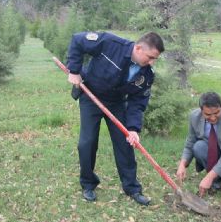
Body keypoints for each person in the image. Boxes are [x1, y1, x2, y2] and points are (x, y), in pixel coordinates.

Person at [66, 31, 165, 206]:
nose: (151, 62)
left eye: (154, 59)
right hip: (91, 97)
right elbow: (78, 40)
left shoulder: (146, 74)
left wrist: (133, 129)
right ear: (139, 48)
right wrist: (74, 70)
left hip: (117, 103)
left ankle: (132, 188)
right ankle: (88, 184)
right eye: (150, 57)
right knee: (87, 142)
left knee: (125, 143)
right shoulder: (110, 43)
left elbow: (137, 102)